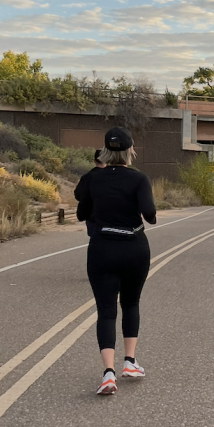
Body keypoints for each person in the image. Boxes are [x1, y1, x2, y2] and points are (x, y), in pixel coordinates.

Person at [74, 128, 157, 396]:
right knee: (131, 302)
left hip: (102, 248)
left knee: (106, 310)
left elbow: (81, 213)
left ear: (106, 151)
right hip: (134, 247)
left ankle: (108, 372)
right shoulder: (139, 179)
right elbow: (151, 215)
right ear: (130, 151)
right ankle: (130, 362)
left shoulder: (93, 179)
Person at [74, 149, 106, 238]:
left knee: (95, 241)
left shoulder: (87, 176)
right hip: (108, 217)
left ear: (94, 161)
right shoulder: (111, 177)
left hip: (91, 217)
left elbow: (78, 195)